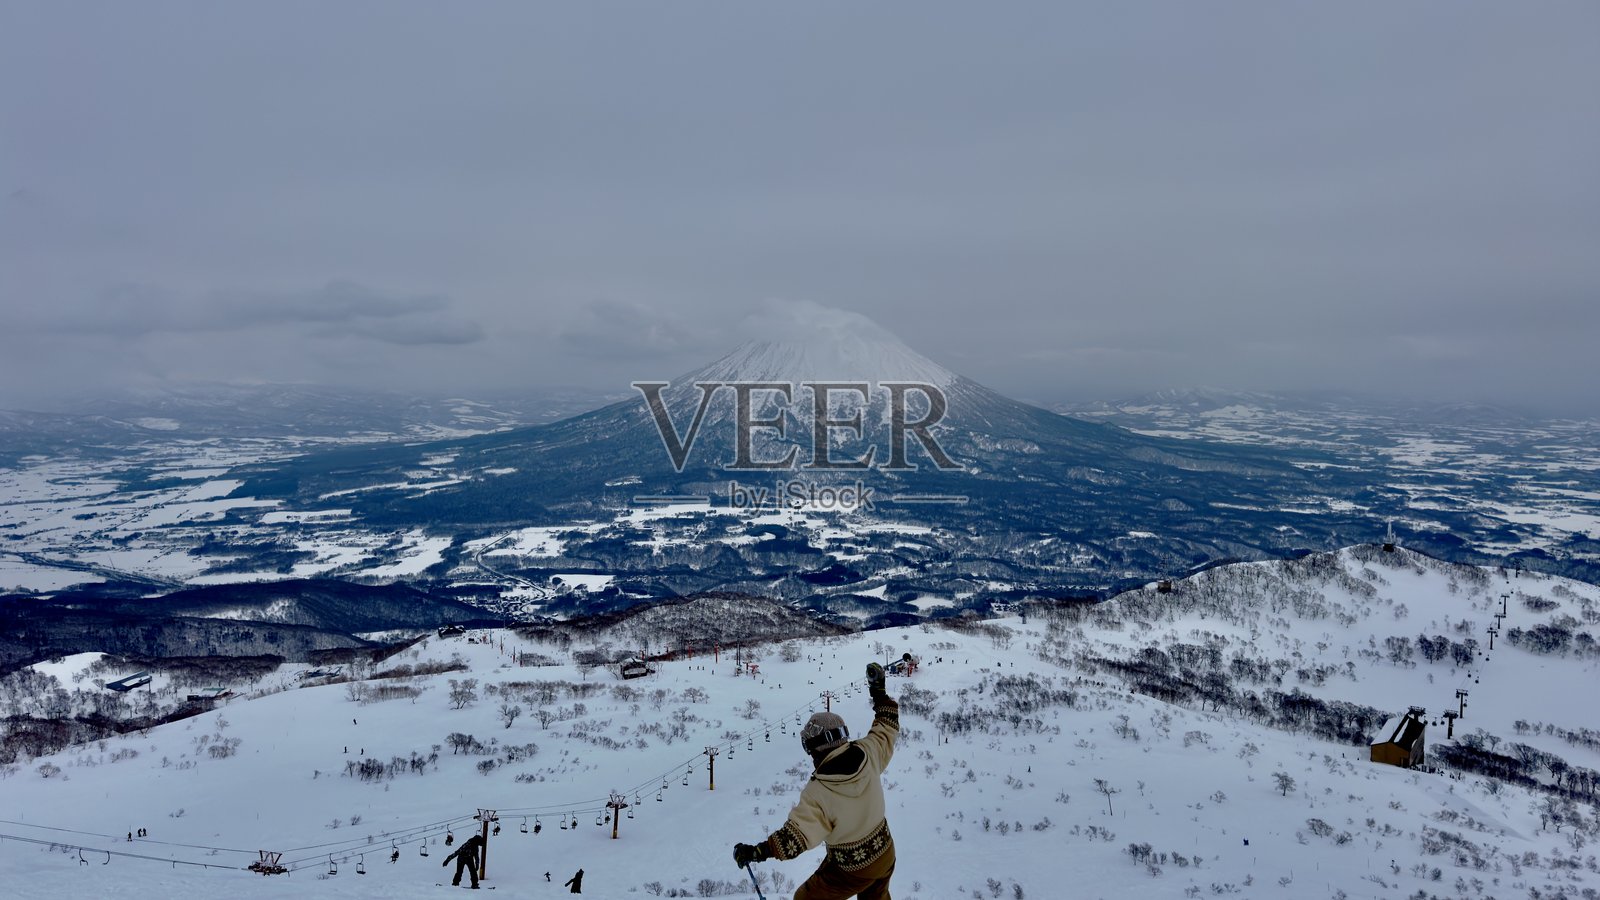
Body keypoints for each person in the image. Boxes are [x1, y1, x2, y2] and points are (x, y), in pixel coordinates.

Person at [734, 663, 899, 899]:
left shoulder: (819, 792)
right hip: (884, 854)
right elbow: (887, 724)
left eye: (810, 751)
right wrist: (879, 692)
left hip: (851, 869)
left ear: (815, 749)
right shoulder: (869, 751)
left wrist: (757, 851)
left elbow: (794, 839)